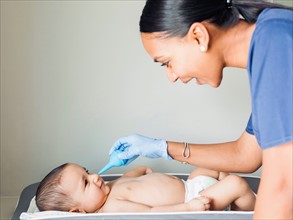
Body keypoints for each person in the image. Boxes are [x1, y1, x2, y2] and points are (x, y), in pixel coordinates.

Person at [109, 0, 293, 219]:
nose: (172, 76)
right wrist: (162, 148)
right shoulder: (269, 42)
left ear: (199, 36)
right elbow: (245, 155)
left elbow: (282, 185)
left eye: (167, 62)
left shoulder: (276, 42)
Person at [36, 163, 256, 213]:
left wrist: (138, 171)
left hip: (191, 183)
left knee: (212, 167)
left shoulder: (107, 189)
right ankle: (253, 210)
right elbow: (151, 213)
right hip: (197, 199)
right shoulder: (112, 208)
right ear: (77, 211)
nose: (94, 177)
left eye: (87, 171)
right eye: (85, 182)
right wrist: (188, 208)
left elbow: (126, 178)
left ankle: (234, 207)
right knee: (236, 183)